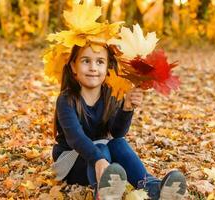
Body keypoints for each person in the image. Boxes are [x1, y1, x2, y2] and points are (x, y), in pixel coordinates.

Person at [50, 44, 187, 200]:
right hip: (71, 163)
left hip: (103, 160)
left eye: (100, 62)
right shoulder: (67, 99)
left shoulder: (111, 95)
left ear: (108, 66)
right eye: (86, 61)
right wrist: (98, 159)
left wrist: (126, 109)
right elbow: (75, 138)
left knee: (118, 143)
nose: (93, 67)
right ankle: (102, 193)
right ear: (74, 66)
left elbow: (116, 132)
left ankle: (152, 187)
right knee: (101, 147)